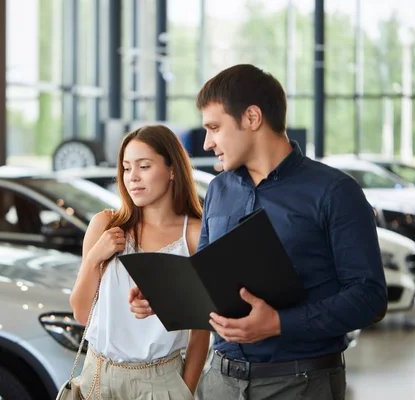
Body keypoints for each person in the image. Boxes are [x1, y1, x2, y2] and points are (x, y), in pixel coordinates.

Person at [129, 64, 387, 399]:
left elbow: (369, 298)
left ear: (252, 118)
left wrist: (280, 323)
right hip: (219, 381)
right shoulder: (219, 190)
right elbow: (207, 279)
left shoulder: (335, 191)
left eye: (214, 127)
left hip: (300, 383)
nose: (207, 143)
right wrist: (165, 296)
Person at [70, 125, 211, 399]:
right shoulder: (105, 226)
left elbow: (201, 331)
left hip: (160, 381)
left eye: (144, 166)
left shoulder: (194, 234)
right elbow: (81, 314)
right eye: (126, 168)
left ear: (172, 170)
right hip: (98, 375)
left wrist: (185, 391)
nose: (132, 177)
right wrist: (94, 259)